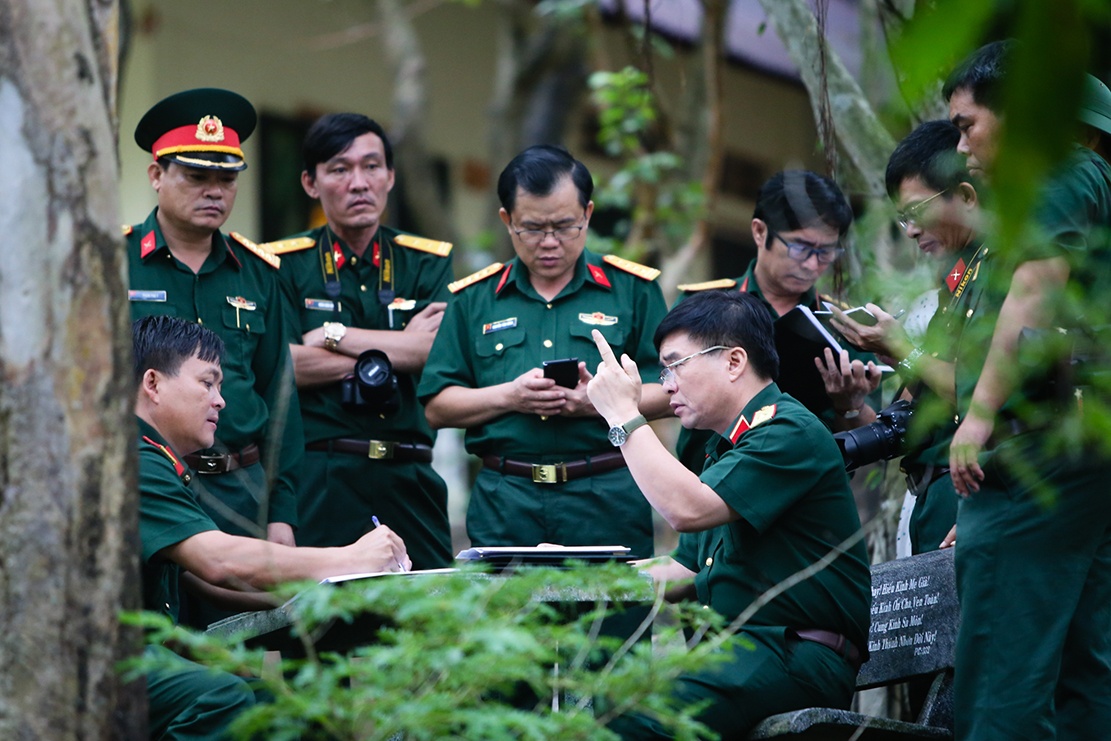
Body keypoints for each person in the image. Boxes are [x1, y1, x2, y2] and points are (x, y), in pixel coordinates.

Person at [585, 290, 871, 739]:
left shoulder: (788, 430)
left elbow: (686, 509)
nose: (667, 384)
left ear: (734, 362)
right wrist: (572, 574)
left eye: (675, 365)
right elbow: (681, 569)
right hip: (746, 652)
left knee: (626, 713)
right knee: (599, 699)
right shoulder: (727, 447)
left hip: (794, 654)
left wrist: (624, 414)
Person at [942, 40, 1111, 740]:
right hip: (1070, 453)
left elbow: (1036, 288)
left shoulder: (1065, 174)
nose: (960, 145)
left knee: (998, 675)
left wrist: (977, 416)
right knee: (1084, 668)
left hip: (1034, 454)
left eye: (965, 125)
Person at [134, 315, 409, 738]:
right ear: (153, 384)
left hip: (142, 652)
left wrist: (329, 588)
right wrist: (352, 557)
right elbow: (216, 561)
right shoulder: (134, 458)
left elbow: (204, 580)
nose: (220, 400)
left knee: (279, 708)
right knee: (223, 698)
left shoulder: (158, 460)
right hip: (100, 659)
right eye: (207, 383)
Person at [418, 145, 670, 559]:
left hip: (607, 493)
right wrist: (510, 396)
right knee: (505, 621)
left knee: (612, 622)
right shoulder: (473, 299)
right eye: (532, 228)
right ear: (507, 221)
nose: (549, 242)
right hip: (506, 500)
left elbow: (672, 390)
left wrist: (598, 403)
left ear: (587, 214)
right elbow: (438, 406)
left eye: (565, 226)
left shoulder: (633, 290)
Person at [127, 88, 305, 626]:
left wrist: (282, 514)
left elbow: (282, 401)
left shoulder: (261, 274)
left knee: (254, 648)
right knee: (165, 642)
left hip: (241, 488)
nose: (214, 191)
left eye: (226, 179)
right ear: (157, 175)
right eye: (196, 176)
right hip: (152, 486)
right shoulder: (111, 264)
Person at [269, 113, 453, 569]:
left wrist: (335, 336)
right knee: (322, 628)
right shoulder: (281, 264)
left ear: (390, 177)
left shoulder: (424, 262)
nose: (359, 183)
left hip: (409, 473)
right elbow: (281, 364)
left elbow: (436, 353)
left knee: (430, 621)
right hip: (321, 475)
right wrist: (393, 352)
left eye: (371, 166)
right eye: (339, 169)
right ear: (311, 183)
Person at [831, 120, 985, 556]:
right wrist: (851, 407)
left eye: (918, 212)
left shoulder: (997, 275)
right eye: (904, 218)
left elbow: (978, 392)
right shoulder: (954, 284)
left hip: (970, 496)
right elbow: (910, 422)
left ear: (966, 198)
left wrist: (899, 345)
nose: (911, 230)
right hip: (927, 499)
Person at [672, 170, 880, 473]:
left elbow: (871, 437)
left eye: (825, 253)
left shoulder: (845, 324)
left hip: (805, 492)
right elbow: (669, 389)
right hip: (710, 482)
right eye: (800, 247)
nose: (812, 265)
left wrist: (850, 404)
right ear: (759, 232)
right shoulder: (701, 307)